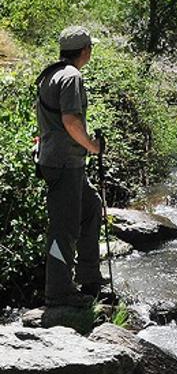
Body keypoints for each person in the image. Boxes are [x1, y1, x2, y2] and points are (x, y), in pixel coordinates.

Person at [36, 26, 109, 307]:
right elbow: (70, 121)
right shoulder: (72, 77)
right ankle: (59, 292)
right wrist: (93, 146)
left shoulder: (51, 74)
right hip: (64, 163)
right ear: (84, 51)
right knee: (63, 228)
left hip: (58, 160)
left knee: (91, 208)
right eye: (90, 47)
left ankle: (89, 278)